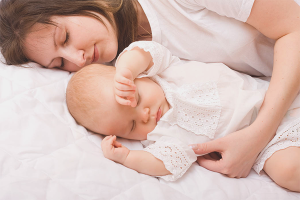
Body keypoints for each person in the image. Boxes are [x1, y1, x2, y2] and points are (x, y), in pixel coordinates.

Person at [1, 0, 300, 180]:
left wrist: (258, 134)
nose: (77, 59)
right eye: (58, 63)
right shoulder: (125, 77)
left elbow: (294, 27)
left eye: (65, 36)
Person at [66, 41, 300, 192]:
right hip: (267, 146)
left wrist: (125, 69)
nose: (145, 114)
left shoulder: (166, 71)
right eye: (132, 125)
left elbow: (145, 51)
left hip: (276, 95)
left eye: (136, 97)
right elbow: (164, 163)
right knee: (288, 171)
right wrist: (127, 157)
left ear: (139, 77)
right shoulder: (164, 137)